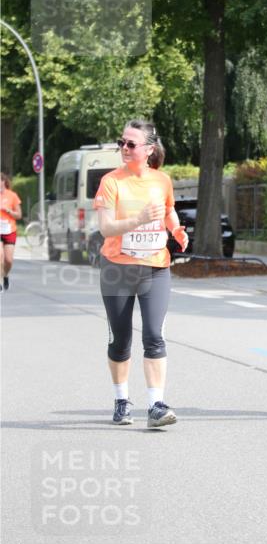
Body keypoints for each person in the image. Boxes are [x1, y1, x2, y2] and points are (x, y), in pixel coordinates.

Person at [93, 120, 188, 429]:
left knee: (154, 335)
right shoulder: (111, 182)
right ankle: (121, 401)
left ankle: (155, 406)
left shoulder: (162, 180)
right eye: (122, 142)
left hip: (155, 268)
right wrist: (138, 219)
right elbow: (106, 228)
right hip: (117, 269)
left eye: (131, 144)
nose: (124, 148)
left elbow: (169, 210)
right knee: (120, 341)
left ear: (148, 150)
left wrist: (176, 230)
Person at [0, 173, 22, 292]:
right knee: (0, 256)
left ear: (3, 182)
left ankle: (5, 275)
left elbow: (19, 215)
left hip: (9, 230)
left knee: (8, 260)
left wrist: (8, 211)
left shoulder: (12, 196)